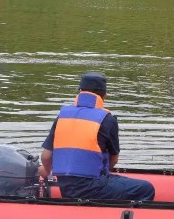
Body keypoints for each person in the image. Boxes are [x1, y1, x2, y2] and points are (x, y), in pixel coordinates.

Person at [37, 72, 155, 201]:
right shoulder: (108, 119)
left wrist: (47, 172)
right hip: (91, 187)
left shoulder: (62, 117)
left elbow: (46, 156)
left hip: (65, 187)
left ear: (80, 91)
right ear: (104, 96)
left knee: (118, 181)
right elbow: (113, 160)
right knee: (146, 189)